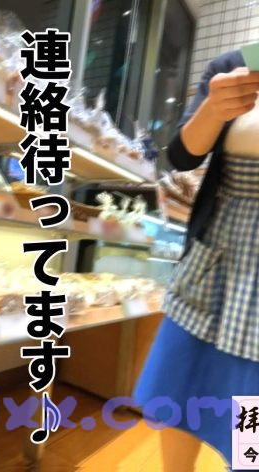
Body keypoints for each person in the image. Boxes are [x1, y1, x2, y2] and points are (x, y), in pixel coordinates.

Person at [134, 49, 259, 471]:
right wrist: (213, 108)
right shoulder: (233, 65)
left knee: (250, 392)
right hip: (218, 249)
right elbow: (183, 155)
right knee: (180, 373)